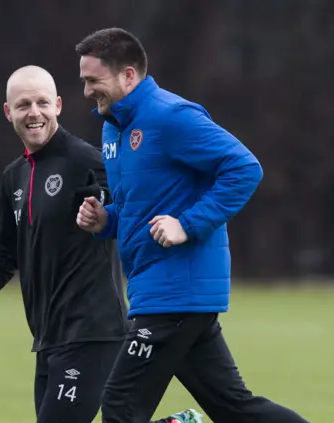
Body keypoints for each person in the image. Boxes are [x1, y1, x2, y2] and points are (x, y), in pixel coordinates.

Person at [0, 65, 199, 423]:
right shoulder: (15, 176)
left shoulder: (86, 161)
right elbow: (3, 253)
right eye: (24, 105)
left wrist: (111, 206)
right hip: (48, 337)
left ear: (57, 105)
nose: (34, 112)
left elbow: (135, 206)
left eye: (42, 102)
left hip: (93, 332)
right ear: (9, 112)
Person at [75, 28, 311, 423]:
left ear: (128, 76)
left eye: (93, 80)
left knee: (120, 406)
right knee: (233, 407)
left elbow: (244, 168)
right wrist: (105, 219)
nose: (86, 91)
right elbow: (137, 208)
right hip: (162, 292)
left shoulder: (172, 116)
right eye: (83, 80)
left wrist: (188, 224)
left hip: (175, 294)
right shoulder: (112, 127)